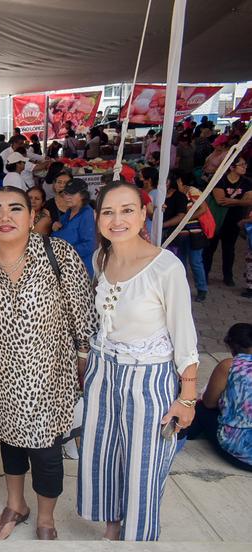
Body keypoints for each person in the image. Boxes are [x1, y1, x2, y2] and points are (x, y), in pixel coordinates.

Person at [0, 186, 94, 541]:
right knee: (10, 441)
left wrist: (83, 361)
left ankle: (47, 517)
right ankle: (15, 504)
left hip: (48, 376)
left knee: (46, 451)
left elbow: (81, 315)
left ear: (32, 216)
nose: (5, 218)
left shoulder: (59, 255)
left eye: (15, 209)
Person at [79, 182, 199, 541]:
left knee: (144, 465)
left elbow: (185, 338)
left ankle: (138, 538)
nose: (117, 219)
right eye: (108, 212)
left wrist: (188, 397)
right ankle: (113, 529)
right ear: (98, 218)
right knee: (104, 452)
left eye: (127, 210)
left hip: (149, 378)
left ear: (144, 213)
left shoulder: (166, 267)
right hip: (104, 372)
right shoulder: (102, 258)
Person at [180, 323, 252, 471]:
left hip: (242, 451)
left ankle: (182, 433)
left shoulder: (229, 365)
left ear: (232, 347)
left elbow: (209, 402)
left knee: (200, 408)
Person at [204, 157, 252, 287]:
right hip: (217, 219)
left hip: (234, 220)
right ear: (232, 167)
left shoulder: (247, 182)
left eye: (245, 164)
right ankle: (205, 274)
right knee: (210, 248)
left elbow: (250, 200)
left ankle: (228, 276)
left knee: (229, 249)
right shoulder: (219, 180)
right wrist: (240, 201)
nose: (245, 167)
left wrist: (233, 201)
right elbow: (220, 200)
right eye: (241, 165)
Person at [163, 171, 209, 302]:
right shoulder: (166, 194)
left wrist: (185, 219)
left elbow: (203, 209)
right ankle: (182, 289)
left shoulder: (191, 191)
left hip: (194, 232)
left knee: (195, 262)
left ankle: (202, 290)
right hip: (178, 233)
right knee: (180, 262)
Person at [53, 178, 95, 275]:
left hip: (80, 270)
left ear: (83, 195)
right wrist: (55, 228)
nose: (67, 197)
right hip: (65, 268)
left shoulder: (87, 215)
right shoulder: (68, 213)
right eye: (66, 193)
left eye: (71, 194)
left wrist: (64, 253)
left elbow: (89, 245)